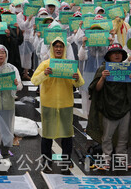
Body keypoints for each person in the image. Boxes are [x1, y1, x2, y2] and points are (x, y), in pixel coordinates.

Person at [31, 38, 84, 174]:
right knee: (47, 135)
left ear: (64, 49)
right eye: (56, 47)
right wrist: (45, 73)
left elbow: (79, 83)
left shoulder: (69, 65)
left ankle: (66, 163)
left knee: (67, 135)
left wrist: (76, 78)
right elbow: (34, 80)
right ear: (52, 49)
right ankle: (47, 161)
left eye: (61, 46)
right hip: (49, 104)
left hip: (66, 104)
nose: (58, 49)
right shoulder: (45, 64)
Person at [87, 44, 131, 170]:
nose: (117, 55)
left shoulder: (127, 69)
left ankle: (122, 158)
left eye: (119, 53)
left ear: (123, 55)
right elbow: (96, 89)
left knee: (124, 135)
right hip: (108, 107)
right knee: (107, 136)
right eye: (114, 53)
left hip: (125, 106)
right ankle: (106, 159)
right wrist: (103, 78)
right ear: (109, 56)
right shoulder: (103, 69)